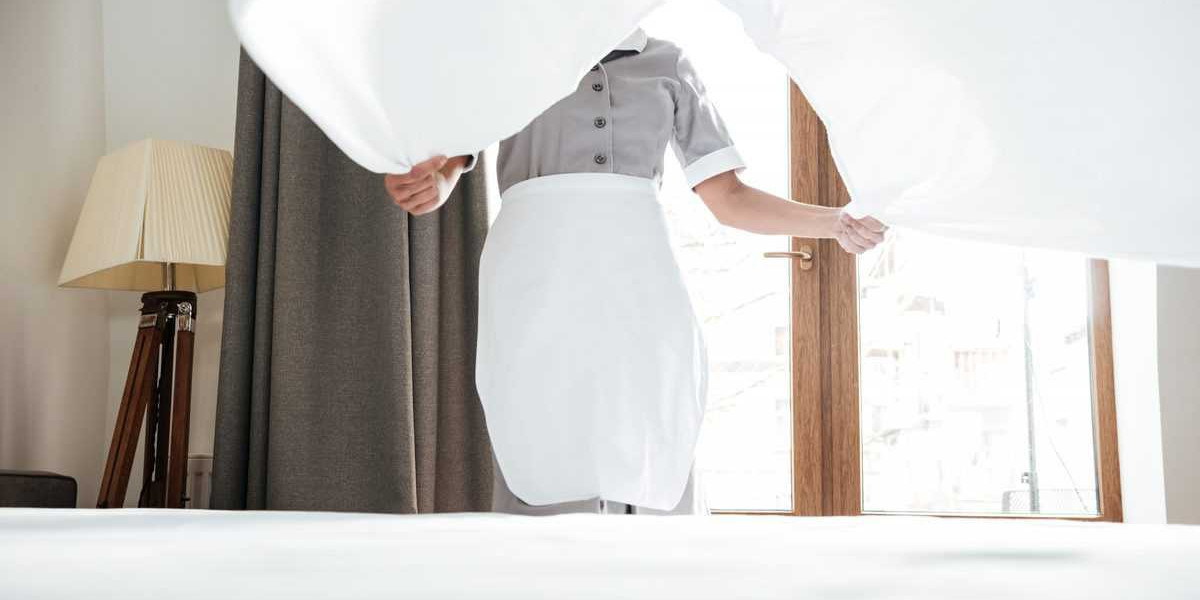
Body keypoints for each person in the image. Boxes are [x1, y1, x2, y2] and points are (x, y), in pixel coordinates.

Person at [384, 28, 886, 515]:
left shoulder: (667, 63)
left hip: (639, 273)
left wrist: (835, 223)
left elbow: (728, 198)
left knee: (653, 418)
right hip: (534, 266)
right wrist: (438, 183)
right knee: (539, 424)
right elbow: (452, 159)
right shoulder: (515, 57)